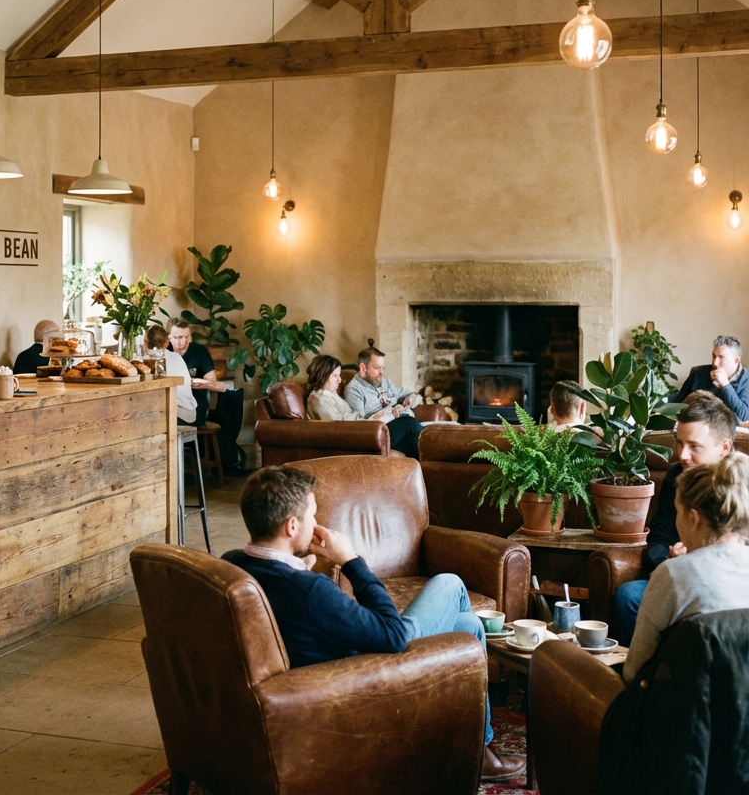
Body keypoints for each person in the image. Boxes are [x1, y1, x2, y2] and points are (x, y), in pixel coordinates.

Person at [222, 466, 526, 782]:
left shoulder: (233, 564)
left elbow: (295, 605)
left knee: (467, 626)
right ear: (292, 526)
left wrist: (302, 566)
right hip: (363, 677)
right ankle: (479, 750)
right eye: (312, 515)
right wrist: (352, 561)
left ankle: (478, 750)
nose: (317, 524)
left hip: (308, 677)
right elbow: (393, 637)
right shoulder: (310, 591)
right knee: (449, 584)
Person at [611, 392, 737, 645]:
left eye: (694, 446)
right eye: (679, 443)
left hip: (730, 579)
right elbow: (657, 537)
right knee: (628, 596)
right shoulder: (676, 477)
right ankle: (646, 675)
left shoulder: (739, 483)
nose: (682, 455)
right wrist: (670, 559)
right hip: (679, 576)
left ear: (724, 447)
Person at [623, 452, 749, 681]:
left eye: (678, 512)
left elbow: (635, 672)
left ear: (694, 518)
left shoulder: (673, 573)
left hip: (684, 710)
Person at [167, 318, 245, 470]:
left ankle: (178, 466)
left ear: (190, 337)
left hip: (196, 406)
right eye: (176, 337)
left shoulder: (199, 351)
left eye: (184, 337)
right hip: (171, 403)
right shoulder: (165, 353)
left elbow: (212, 382)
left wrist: (186, 382)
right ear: (169, 337)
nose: (180, 342)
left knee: (168, 420)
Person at [342, 345, 423, 458]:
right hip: (376, 433)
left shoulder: (385, 383)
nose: (381, 373)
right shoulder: (354, 390)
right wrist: (391, 411)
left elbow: (411, 394)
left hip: (394, 433)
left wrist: (408, 400)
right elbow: (360, 425)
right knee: (410, 423)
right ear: (363, 368)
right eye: (377, 368)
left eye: (383, 368)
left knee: (416, 441)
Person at [676, 336, 749, 422]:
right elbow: (678, 403)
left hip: (726, 430)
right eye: (714, 356)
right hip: (696, 425)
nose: (715, 363)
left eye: (721, 357)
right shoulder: (699, 373)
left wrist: (725, 385)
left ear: (736, 360)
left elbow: (743, 415)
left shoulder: (746, 380)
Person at [304, 354, 393, 424]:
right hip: (358, 434)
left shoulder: (329, 393)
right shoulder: (318, 399)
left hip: (363, 426)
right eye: (335, 376)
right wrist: (371, 422)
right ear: (322, 376)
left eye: (339, 375)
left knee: (403, 420)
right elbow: (338, 426)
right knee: (405, 423)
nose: (340, 380)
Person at [145, 324, 198, 425]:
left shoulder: (151, 359)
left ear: (145, 342)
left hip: (178, 415)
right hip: (191, 412)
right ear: (167, 340)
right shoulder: (176, 356)